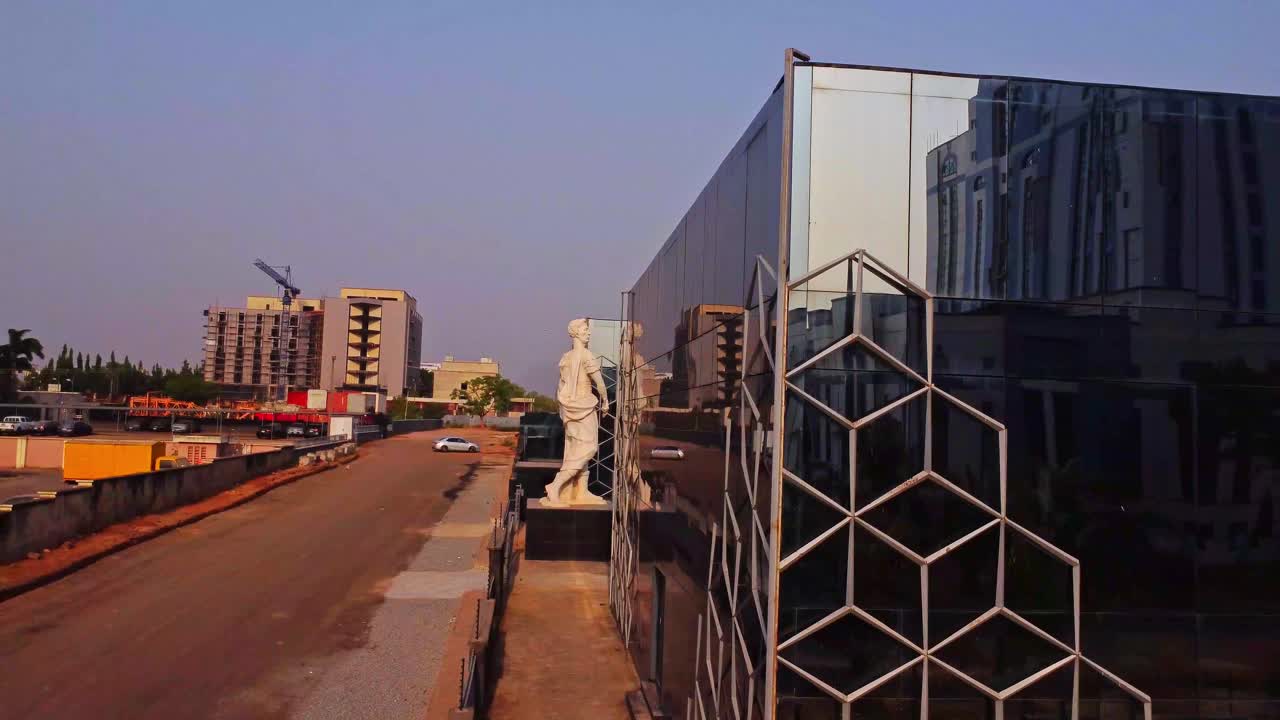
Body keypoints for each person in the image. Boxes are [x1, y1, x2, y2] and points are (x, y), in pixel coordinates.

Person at [542, 318, 609, 507]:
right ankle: (555, 487)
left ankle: (581, 491)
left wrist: (564, 407)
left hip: (570, 407)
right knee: (589, 448)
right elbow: (600, 383)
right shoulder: (587, 356)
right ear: (577, 332)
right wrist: (605, 400)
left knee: (574, 449)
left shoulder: (566, 357)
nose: (589, 333)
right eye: (586, 329)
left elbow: (561, 386)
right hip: (584, 405)